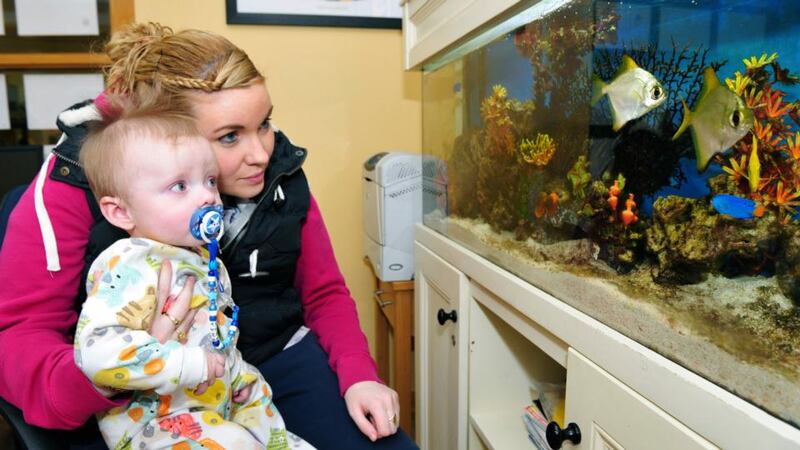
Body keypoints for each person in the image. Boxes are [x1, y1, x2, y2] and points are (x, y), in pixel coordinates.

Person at [0, 22, 416, 449]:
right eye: (229, 136)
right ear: (166, 136)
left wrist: (359, 375)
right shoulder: (73, 188)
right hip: (139, 386)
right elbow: (22, 337)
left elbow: (324, 292)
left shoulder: (278, 169)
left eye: (265, 123)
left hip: (260, 361)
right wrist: (121, 370)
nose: (261, 154)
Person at [75, 99, 312, 449]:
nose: (208, 198)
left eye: (210, 181)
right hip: (158, 423)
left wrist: (237, 375)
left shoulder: (200, 255)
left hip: (219, 401)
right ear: (120, 211)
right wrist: (188, 363)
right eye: (180, 186)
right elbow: (98, 354)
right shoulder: (128, 264)